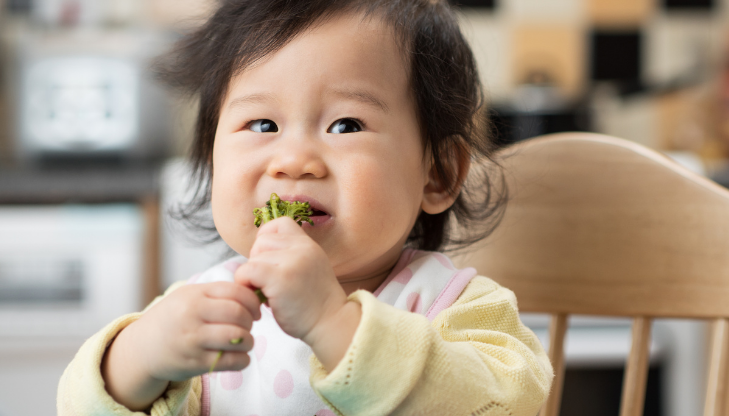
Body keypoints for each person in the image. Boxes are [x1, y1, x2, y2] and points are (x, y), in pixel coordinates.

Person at [57, 1, 553, 415]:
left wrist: (331, 323)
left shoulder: (455, 307)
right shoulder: (203, 312)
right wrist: (139, 360)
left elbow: (506, 402)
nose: (294, 161)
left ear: (437, 173)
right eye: (263, 125)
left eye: (345, 125)